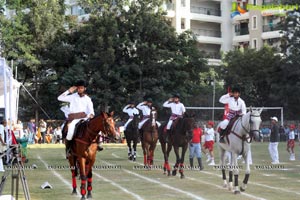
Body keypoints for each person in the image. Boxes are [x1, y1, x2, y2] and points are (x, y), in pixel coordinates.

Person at [57, 80, 96, 158]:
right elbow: (59, 98)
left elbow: (91, 111)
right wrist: (69, 91)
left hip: (85, 119)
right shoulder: (72, 96)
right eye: (78, 88)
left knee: (94, 128)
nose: (79, 89)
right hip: (74, 119)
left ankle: (98, 144)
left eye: (81, 88)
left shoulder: (88, 99)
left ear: (84, 88)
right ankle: (68, 149)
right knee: (70, 132)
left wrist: (91, 115)